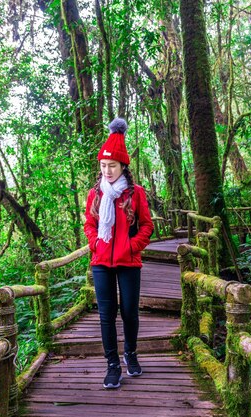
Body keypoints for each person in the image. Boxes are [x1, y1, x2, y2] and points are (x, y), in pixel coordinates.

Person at [84, 118, 154, 389]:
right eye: (103, 166)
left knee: (129, 312)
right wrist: (96, 244)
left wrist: (132, 246)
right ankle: (112, 365)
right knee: (106, 314)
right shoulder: (95, 194)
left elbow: (147, 225)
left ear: (123, 166)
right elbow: (90, 225)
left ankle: (131, 354)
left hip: (129, 262)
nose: (107, 171)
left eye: (112, 166)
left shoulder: (136, 194)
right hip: (101, 261)